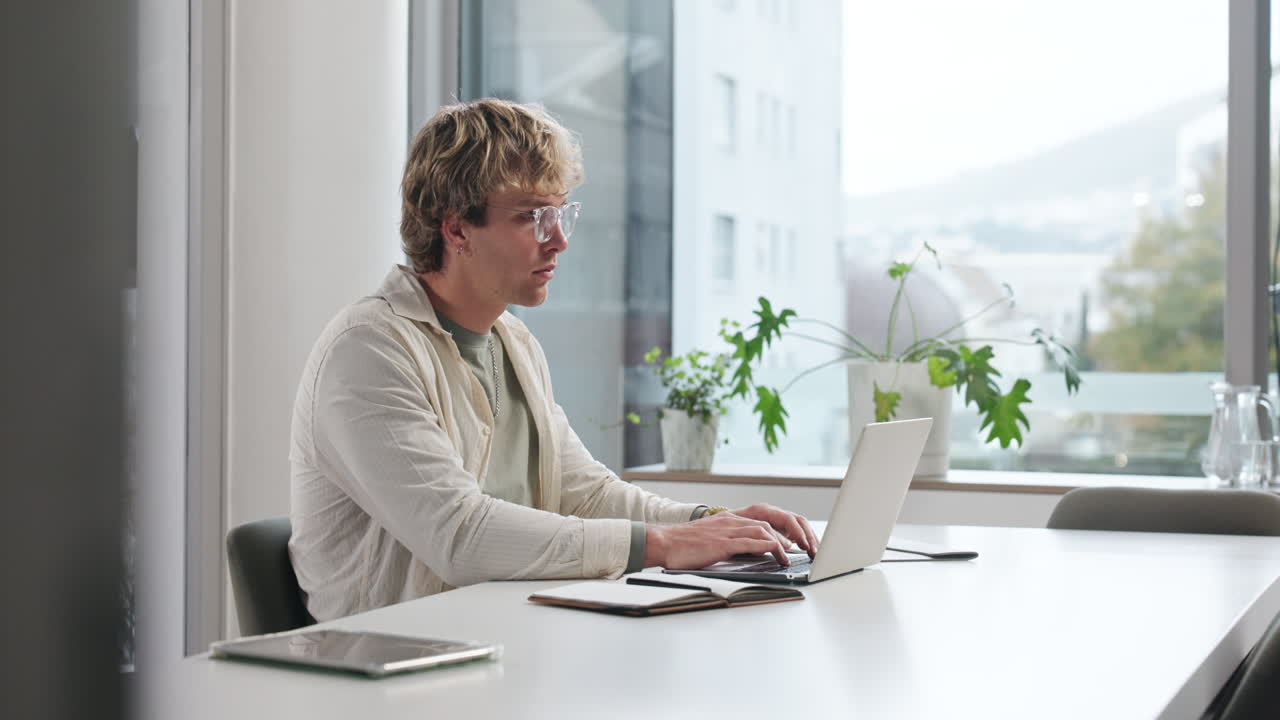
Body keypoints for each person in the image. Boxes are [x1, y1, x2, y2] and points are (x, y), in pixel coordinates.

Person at [289, 98, 818, 622]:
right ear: (455, 229)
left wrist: (712, 523)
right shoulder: (368, 350)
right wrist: (664, 543)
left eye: (560, 213)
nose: (559, 240)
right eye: (532, 218)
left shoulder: (513, 342)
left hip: (501, 641)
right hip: (388, 670)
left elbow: (585, 495)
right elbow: (458, 535)